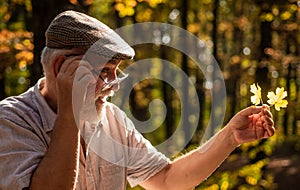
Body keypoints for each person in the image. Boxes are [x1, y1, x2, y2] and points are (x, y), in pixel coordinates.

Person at [0, 10, 275, 190]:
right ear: (61, 68)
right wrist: (70, 114)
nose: (113, 86)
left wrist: (230, 137)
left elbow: (167, 179)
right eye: (104, 72)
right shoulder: (11, 121)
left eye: (116, 72)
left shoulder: (112, 120)